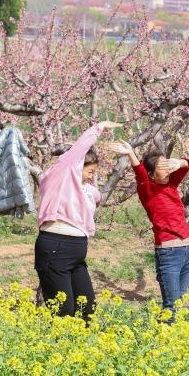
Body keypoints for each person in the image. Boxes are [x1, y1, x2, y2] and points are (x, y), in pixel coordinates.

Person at [35, 120, 123, 318]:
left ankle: (80, 348)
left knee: (87, 309)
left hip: (76, 253)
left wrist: (96, 194)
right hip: (56, 248)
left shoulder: (84, 189)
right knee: (63, 311)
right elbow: (77, 153)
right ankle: (60, 348)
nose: (90, 177)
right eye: (89, 172)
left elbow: (94, 194)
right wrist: (98, 128)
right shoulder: (59, 176)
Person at [108, 140, 189, 318]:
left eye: (167, 163)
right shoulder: (148, 189)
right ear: (152, 174)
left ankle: (175, 336)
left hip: (188, 249)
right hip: (169, 251)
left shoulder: (171, 184)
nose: (168, 168)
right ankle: (164, 338)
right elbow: (140, 172)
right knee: (171, 304)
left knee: (180, 301)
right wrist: (130, 153)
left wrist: (178, 162)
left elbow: (186, 166)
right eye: (162, 166)